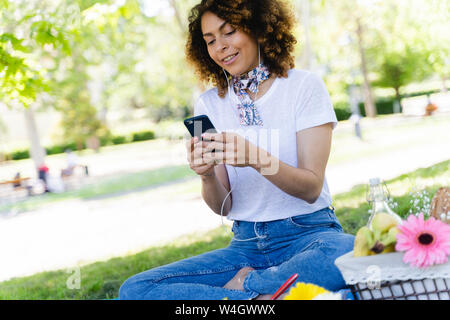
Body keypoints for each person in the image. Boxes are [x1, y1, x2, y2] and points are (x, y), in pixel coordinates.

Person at [119, 0, 354, 300]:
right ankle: (270, 298)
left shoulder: (303, 87)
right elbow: (223, 207)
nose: (220, 47)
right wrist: (206, 177)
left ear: (259, 27)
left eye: (229, 32)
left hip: (309, 235)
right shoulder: (209, 104)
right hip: (246, 245)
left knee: (344, 252)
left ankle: (246, 290)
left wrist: (257, 159)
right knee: (137, 290)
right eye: (210, 41)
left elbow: (310, 188)